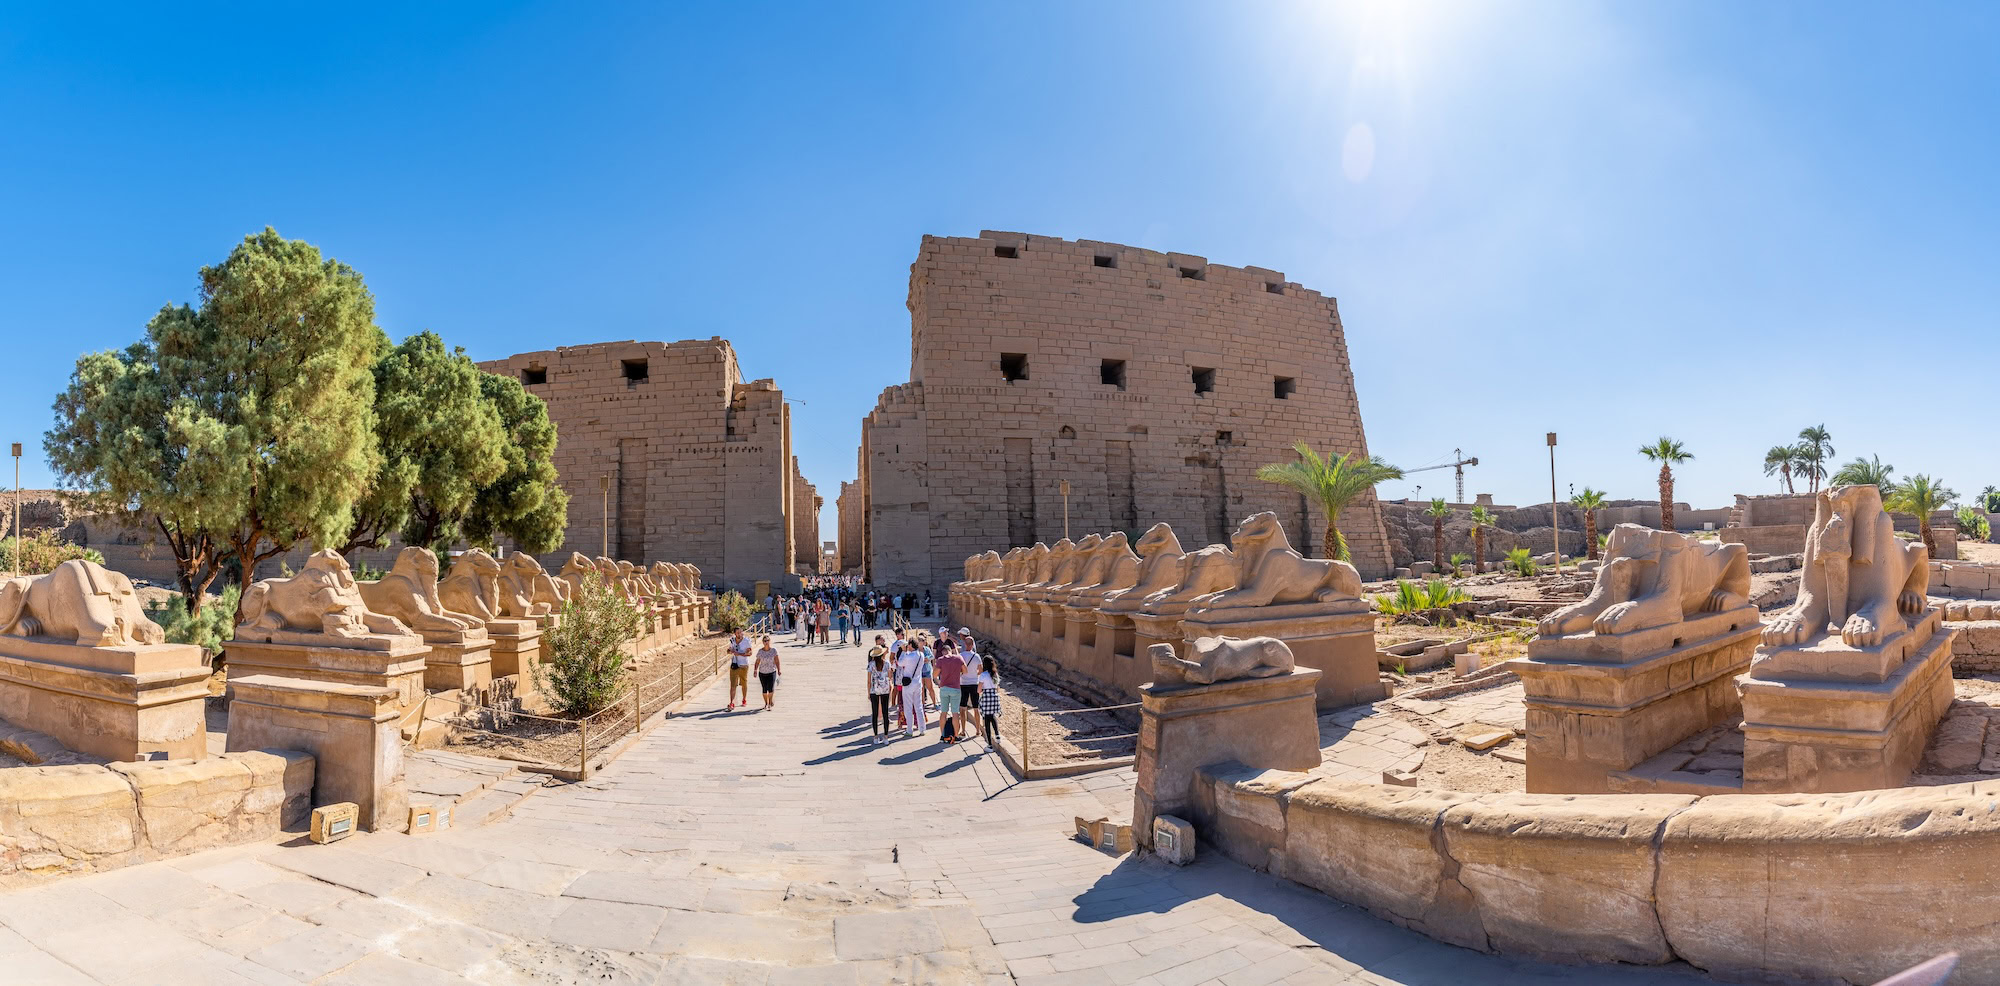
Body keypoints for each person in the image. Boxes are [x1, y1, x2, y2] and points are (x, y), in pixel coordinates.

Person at [934, 638, 965, 744]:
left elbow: (935, 674)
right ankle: (956, 736)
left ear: (943, 652)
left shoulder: (941, 660)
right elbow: (965, 671)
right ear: (950, 650)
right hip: (955, 688)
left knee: (943, 712)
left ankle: (943, 736)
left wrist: (941, 678)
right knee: (955, 713)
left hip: (944, 688)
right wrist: (958, 673)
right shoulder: (958, 658)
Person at [895, 633, 925, 737]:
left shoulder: (908, 656)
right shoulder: (921, 655)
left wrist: (903, 651)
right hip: (918, 682)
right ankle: (922, 729)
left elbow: (899, 663)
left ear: (911, 645)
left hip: (908, 684)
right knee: (919, 706)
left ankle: (909, 730)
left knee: (908, 707)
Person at [866, 641, 893, 744]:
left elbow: (869, 681)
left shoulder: (871, 665)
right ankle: (886, 737)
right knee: (885, 713)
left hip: (874, 690)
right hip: (885, 689)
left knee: (875, 713)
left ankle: (876, 737)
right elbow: (890, 677)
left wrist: (868, 692)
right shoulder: (887, 663)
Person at [958, 632, 982, 740]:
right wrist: (974, 674)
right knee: (976, 708)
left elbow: (959, 670)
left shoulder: (961, 655)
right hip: (974, 683)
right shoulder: (976, 656)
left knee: (963, 708)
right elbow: (980, 670)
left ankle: (963, 730)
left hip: (963, 683)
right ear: (972, 645)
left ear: (965, 644)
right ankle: (977, 730)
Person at [726, 629, 753, 710]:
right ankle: (732, 702)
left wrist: (740, 654)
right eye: (737, 632)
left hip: (744, 665)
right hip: (734, 664)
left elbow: (750, 653)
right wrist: (730, 651)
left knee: (743, 683)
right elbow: (728, 650)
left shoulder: (746, 641)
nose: (740, 634)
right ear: (735, 633)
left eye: (740, 632)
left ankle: (744, 699)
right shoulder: (732, 641)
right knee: (733, 684)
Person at [977, 657, 1001, 744]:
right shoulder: (995, 674)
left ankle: (990, 744)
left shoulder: (983, 675)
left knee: (987, 720)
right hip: (994, 697)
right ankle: (997, 735)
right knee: (993, 716)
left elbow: (979, 690)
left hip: (986, 697)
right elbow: (997, 688)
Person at [755, 634, 781, 710]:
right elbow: (757, 662)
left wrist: (779, 670)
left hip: (771, 671)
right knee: (764, 689)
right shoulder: (760, 651)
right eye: (765, 641)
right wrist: (755, 670)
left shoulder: (774, 650)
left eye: (767, 641)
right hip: (762, 672)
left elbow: (777, 661)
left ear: (770, 641)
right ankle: (766, 703)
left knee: (770, 688)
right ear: (763, 642)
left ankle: (769, 703)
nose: (766, 642)